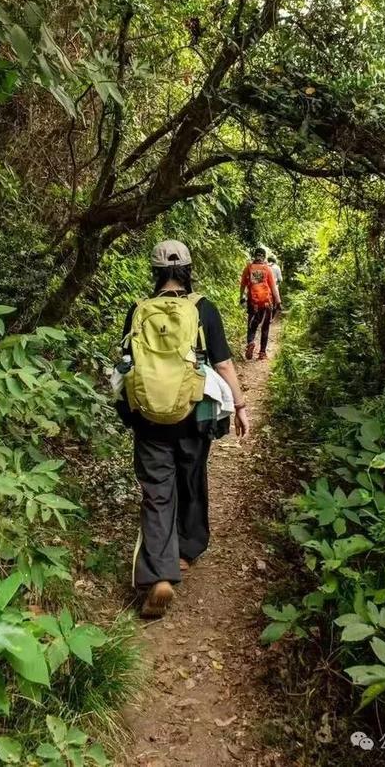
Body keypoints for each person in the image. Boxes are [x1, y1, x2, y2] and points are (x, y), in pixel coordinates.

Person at [119, 240, 249, 619]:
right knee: (191, 476)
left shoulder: (139, 310)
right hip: (194, 413)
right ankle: (186, 551)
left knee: (157, 491)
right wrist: (239, 406)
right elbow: (223, 365)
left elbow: (126, 364)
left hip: (148, 415)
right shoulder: (203, 309)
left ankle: (159, 573)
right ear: (189, 269)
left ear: (155, 272)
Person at [240, 247, 280, 361]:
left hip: (253, 303)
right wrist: (278, 302)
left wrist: (241, 297)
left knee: (251, 326)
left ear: (254, 255)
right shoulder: (267, 269)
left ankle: (251, 342)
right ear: (264, 257)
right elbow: (273, 287)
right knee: (265, 328)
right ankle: (262, 353)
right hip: (267, 303)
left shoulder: (249, 268)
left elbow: (243, 285)